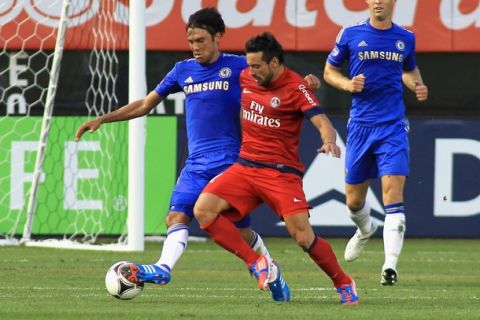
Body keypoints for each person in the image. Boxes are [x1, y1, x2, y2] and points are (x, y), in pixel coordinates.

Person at [75, 8, 318, 302]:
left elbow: (275, 79)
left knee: (240, 233)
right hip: (196, 163)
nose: (195, 47)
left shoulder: (240, 68)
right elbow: (145, 104)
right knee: (175, 216)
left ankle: (272, 272)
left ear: (218, 38)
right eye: (191, 41)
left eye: (201, 40)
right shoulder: (182, 70)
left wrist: (304, 83)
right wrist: (104, 118)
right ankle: (164, 268)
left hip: (231, 163)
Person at [194, 32, 359, 305]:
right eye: (249, 65)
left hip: (281, 173)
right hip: (245, 167)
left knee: (303, 237)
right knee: (203, 211)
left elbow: (322, 122)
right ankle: (258, 263)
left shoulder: (296, 87)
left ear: (273, 63)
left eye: (257, 66)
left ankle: (343, 281)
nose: (251, 71)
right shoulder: (245, 75)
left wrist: (329, 141)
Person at [323, 0, 428, 285]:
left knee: (393, 197)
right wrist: (347, 85)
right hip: (360, 128)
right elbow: (329, 71)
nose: (378, 1)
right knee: (354, 201)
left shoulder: (405, 37)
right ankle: (364, 229)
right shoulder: (349, 34)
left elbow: (409, 69)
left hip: (393, 126)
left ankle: (389, 267)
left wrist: (416, 84)